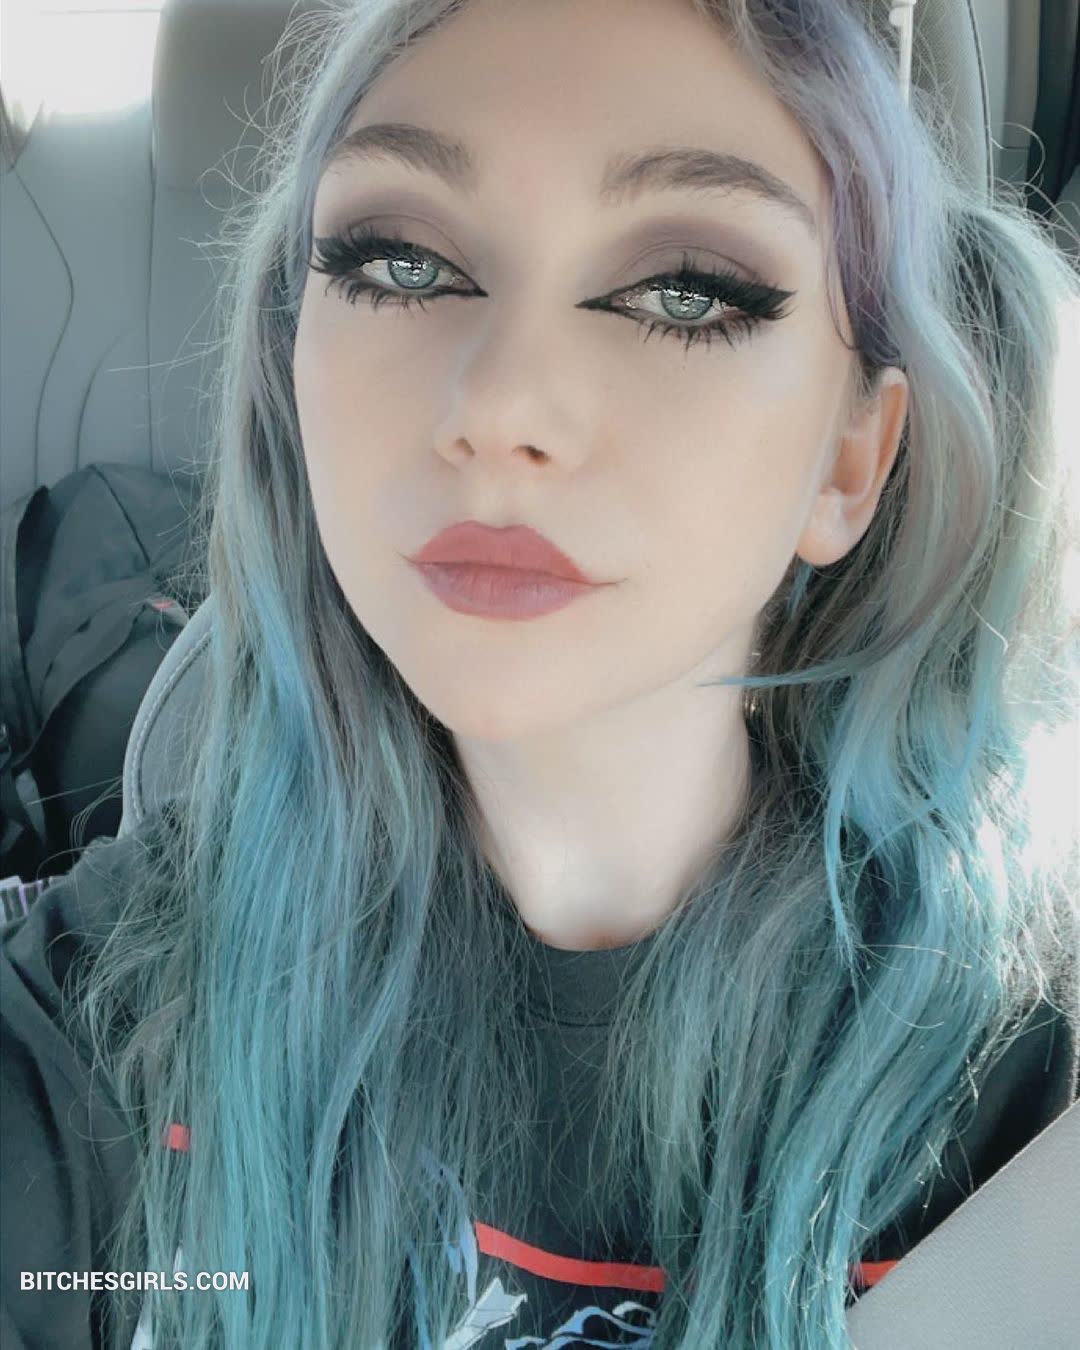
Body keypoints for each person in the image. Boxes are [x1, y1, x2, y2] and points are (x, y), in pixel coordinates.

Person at [2, 0, 1078, 1346]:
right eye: (401, 264)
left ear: (850, 460)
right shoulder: (110, 1011)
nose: (499, 402)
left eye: (685, 291)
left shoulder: (1030, 1078)